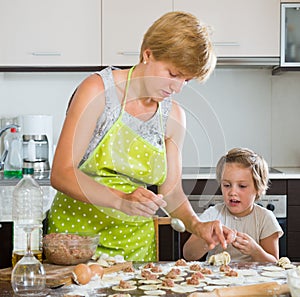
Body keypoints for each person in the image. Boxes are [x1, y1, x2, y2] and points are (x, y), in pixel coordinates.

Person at [47, 11, 235, 261]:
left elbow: (171, 193)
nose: (177, 88)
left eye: (186, 80)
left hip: (135, 250)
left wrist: (197, 225)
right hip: (76, 246)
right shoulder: (98, 91)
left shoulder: (174, 117)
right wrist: (122, 200)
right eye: (173, 74)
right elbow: (62, 173)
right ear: (148, 54)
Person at [183, 148, 284, 262]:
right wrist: (207, 240)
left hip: (253, 279)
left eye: (242, 186)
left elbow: (273, 263)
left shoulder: (265, 218)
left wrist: (255, 251)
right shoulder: (212, 215)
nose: (232, 192)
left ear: (258, 189)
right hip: (216, 278)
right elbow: (188, 254)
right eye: (227, 185)